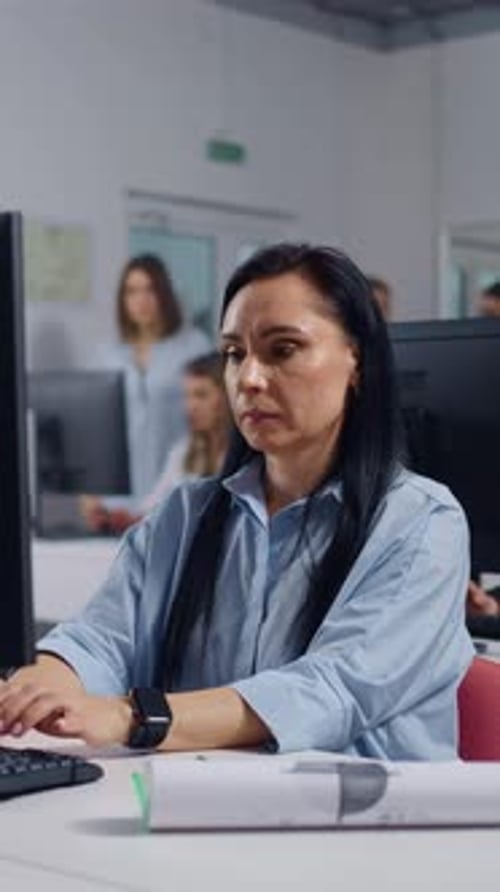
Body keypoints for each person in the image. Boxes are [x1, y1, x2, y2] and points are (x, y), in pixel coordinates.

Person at [0, 243, 473, 759]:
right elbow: (103, 638)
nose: (248, 378)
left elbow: (328, 688)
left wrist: (131, 716)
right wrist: (42, 684)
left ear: (356, 360)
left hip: (366, 825)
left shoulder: (422, 523)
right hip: (210, 811)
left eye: (283, 349)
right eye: (234, 353)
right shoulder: (187, 515)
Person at [91, 254, 210, 507]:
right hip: (117, 498)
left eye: (150, 290)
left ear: (164, 294)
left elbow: (211, 423)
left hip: (177, 488)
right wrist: (89, 493)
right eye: (131, 292)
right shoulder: (108, 354)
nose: (140, 301)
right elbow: (97, 429)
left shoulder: (194, 346)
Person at [85, 352, 230, 533]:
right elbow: (152, 508)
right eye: (187, 396)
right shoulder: (183, 453)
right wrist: (121, 518)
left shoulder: (246, 457)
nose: (190, 406)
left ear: (228, 396)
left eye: (201, 395)